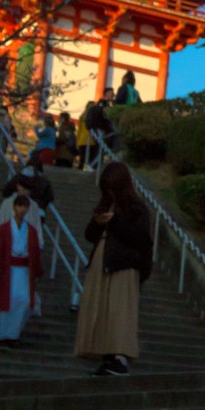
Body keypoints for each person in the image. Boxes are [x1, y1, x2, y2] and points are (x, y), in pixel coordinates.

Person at [75, 161, 153, 376]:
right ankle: (107, 354)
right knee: (102, 309)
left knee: (120, 311)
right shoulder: (106, 205)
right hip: (104, 262)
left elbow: (141, 239)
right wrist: (99, 222)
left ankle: (120, 357)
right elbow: (90, 235)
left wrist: (115, 221)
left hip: (124, 264)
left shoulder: (136, 208)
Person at [0, 192, 42, 347]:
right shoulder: (4, 229)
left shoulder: (31, 231)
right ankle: (3, 334)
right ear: (14, 207)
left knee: (24, 301)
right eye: (20, 206)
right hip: (8, 270)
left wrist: (37, 271)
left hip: (24, 270)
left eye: (25, 206)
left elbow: (35, 252)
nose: (22, 209)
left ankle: (14, 334)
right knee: (7, 302)